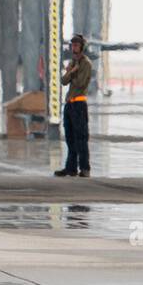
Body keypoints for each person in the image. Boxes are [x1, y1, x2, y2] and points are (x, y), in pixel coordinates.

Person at [55, 34, 92, 178]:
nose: (74, 47)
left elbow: (81, 83)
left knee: (81, 138)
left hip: (79, 104)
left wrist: (73, 72)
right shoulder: (72, 63)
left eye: (76, 45)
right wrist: (70, 71)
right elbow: (63, 81)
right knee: (70, 138)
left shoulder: (86, 64)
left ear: (82, 47)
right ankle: (70, 168)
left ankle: (85, 168)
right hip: (69, 104)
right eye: (73, 45)